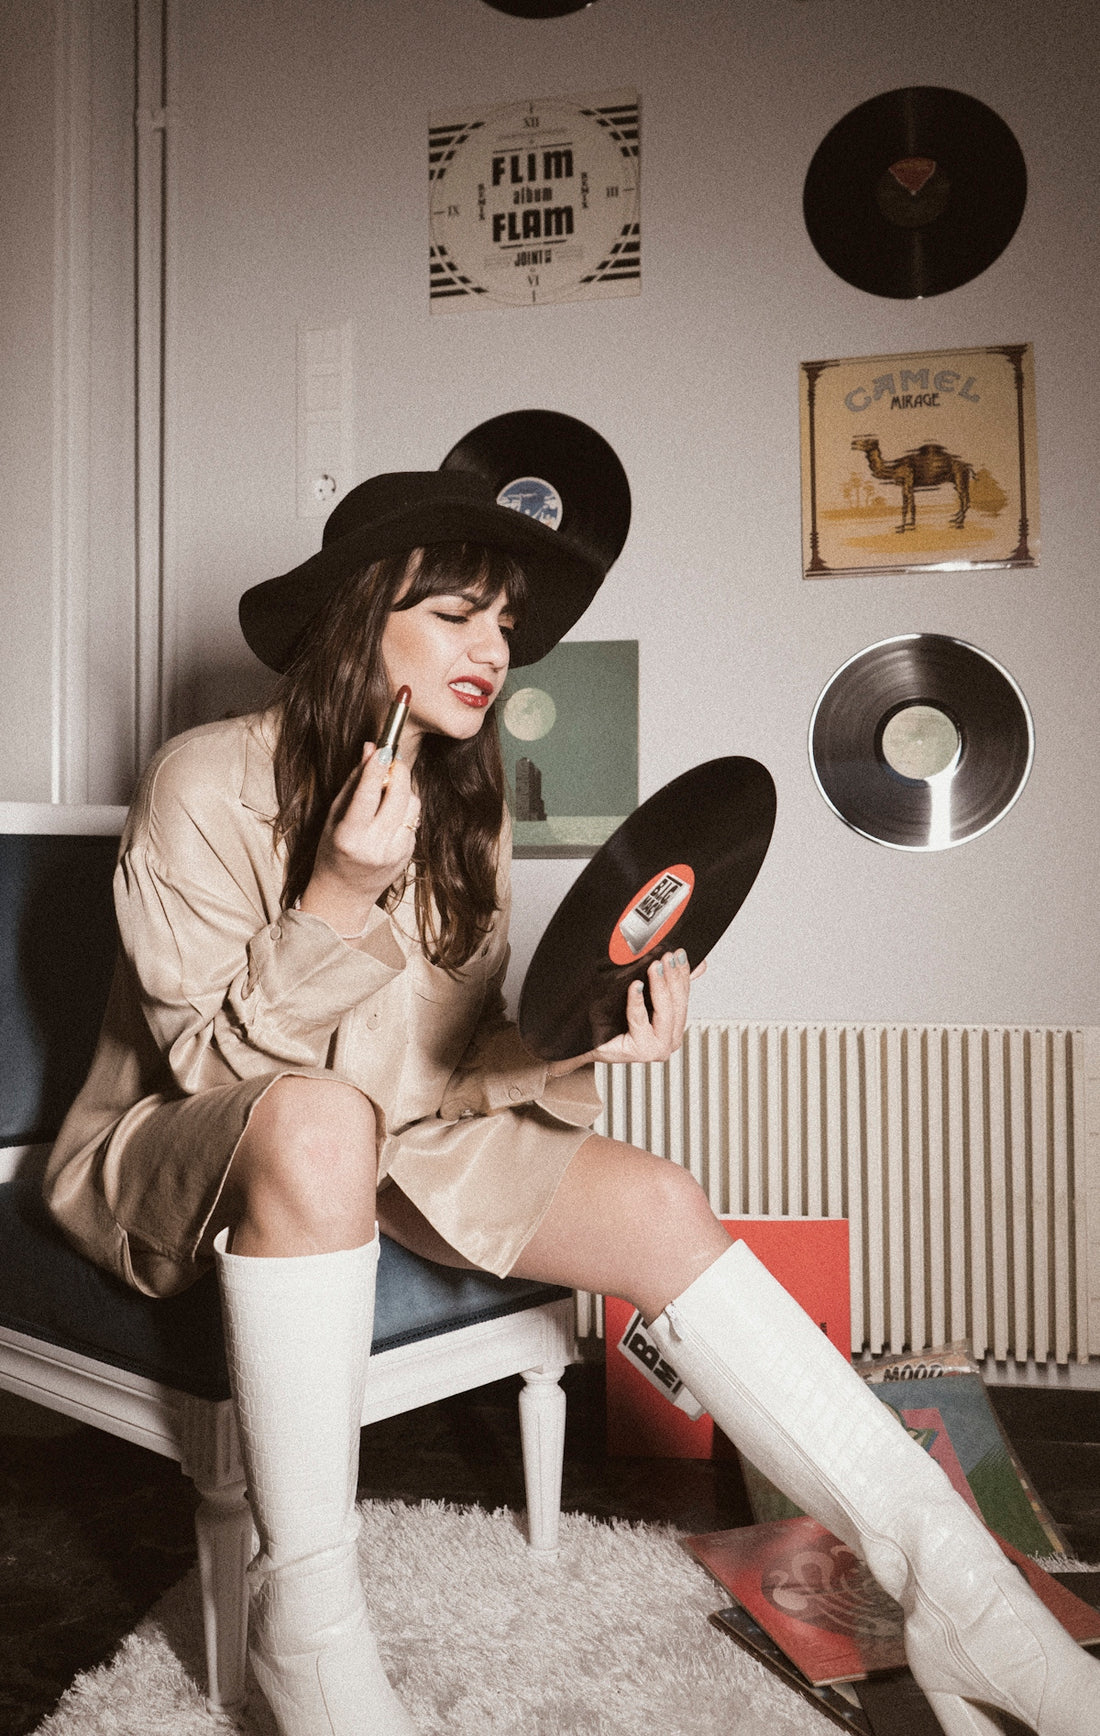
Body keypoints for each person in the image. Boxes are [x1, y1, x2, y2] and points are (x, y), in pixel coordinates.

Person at [45, 470, 1095, 1736]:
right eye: (454, 615)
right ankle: (304, 1626)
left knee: (657, 1199)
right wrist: (333, 895)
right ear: (357, 619)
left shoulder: (465, 802)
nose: (494, 649)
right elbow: (209, 1070)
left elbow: (441, 1061)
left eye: (504, 623)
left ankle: (962, 1591)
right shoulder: (203, 779)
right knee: (318, 1120)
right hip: (174, 1147)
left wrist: (580, 1042)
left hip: (386, 1135)